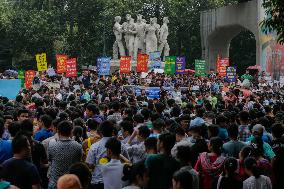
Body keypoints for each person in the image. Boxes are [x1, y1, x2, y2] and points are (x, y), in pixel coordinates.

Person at [48, 121, 82, 189]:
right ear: (71, 131)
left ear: (58, 131)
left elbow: (50, 159)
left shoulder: (52, 144)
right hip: (70, 183)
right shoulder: (78, 146)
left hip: (55, 182)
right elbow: (78, 161)